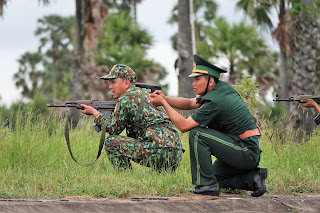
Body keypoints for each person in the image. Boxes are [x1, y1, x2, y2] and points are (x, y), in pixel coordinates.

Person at [149, 54, 267, 197]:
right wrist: (165, 98)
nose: (194, 83)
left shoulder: (215, 100)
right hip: (242, 148)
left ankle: (207, 186)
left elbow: (184, 126)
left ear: (210, 81)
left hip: (245, 151)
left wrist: (163, 104)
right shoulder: (219, 89)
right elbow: (189, 103)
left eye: (198, 79)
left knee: (197, 133)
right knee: (215, 178)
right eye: (193, 79)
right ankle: (254, 179)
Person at [80, 64, 184, 172]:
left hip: (158, 149)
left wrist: (94, 113)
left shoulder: (126, 98)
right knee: (156, 181)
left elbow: (113, 129)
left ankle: (125, 178)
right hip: (176, 151)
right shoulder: (147, 94)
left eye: (113, 82)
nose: (110, 87)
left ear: (126, 83)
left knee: (111, 142)